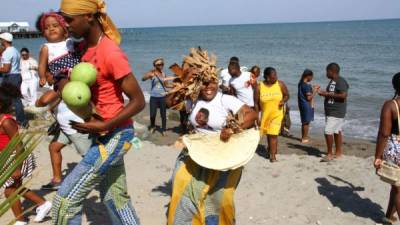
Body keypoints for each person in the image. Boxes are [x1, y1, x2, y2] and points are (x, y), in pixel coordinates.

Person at [52, 1, 145, 224]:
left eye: (70, 19)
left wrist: (104, 125)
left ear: (89, 17)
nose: (66, 25)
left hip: (116, 134)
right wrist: (62, 82)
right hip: (101, 133)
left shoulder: (110, 52)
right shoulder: (82, 49)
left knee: (64, 201)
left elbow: (139, 101)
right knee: (115, 198)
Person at [168, 79, 258, 224]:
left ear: (218, 84)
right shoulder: (194, 100)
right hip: (195, 152)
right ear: (198, 84)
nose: (208, 86)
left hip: (221, 155)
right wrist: (181, 85)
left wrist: (232, 128)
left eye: (212, 83)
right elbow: (169, 103)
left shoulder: (225, 99)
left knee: (218, 198)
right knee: (183, 188)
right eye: (204, 83)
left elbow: (252, 114)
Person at [34, 12, 92, 191]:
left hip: (73, 80)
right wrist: (43, 76)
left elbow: (84, 51)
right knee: (54, 147)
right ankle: (57, 180)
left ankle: (91, 178)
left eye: (54, 25)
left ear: (64, 28)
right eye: (47, 27)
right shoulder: (46, 47)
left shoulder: (71, 43)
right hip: (59, 78)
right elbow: (42, 65)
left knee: (88, 154)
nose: (50, 29)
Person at [0, 82, 52, 225]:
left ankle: (21, 220)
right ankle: (43, 204)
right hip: (6, 159)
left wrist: (17, 168)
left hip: (17, 157)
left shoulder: (6, 122)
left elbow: (19, 146)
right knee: (16, 188)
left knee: (10, 191)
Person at [374, 72, 400, 225]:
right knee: (396, 184)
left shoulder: (391, 105)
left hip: (396, 149)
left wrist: (378, 156)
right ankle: (389, 216)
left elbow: (384, 133)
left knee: (398, 188)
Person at [254, 67, 289, 162]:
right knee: (269, 134)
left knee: (273, 134)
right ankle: (271, 151)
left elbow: (287, 95)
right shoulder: (259, 86)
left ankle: (273, 156)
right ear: (267, 77)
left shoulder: (280, 84)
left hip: (277, 114)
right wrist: (257, 117)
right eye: (274, 76)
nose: (276, 77)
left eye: (276, 75)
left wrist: (283, 101)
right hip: (265, 115)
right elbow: (256, 103)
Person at [318, 63, 349, 161]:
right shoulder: (333, 81)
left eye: (327, 71)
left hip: (336, 111)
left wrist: (326, 94)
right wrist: (324, 93)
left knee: (328, 131)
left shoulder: (341, 81)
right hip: (331, 110)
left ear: (331, 71)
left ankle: (330, 154)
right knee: (336, 131)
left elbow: (343, 95)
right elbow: (333, 94)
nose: (326, 73)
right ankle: (338, 152)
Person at [0, 32, 28, 128]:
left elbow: (6, 69)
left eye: (1, 39)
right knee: (14, 99)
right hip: (16, 75)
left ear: (4, 40)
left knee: (10, 99)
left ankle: (20, 121)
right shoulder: (15, 50)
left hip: (10, 76)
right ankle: (21, 121)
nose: (0, 41)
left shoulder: (7, 52)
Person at [142, 58, 169, 136]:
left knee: (163, 114)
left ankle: (163, 129)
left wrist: (175, 86)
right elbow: (143, 79)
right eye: (158, 64)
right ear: (155, 65)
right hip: (153, 97)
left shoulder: (164, 74)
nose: (160, 66)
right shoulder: (152, 73)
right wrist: (149, 76)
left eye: (162, 64)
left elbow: (166, 85)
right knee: (152, 114)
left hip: (162, 97)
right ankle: (153, 126)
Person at [298, 69, 319, 143]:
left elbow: (306, 94)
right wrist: (315, 91)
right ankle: (304, 138)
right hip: (306, 105)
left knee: (305, 122)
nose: (312, 78)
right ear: (308, 76)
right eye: (312, 77)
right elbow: (309, 98)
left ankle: (304, 136)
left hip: (302, 104)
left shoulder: (301, 84)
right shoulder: (306, 85)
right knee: (306, 122)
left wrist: (312, 89)